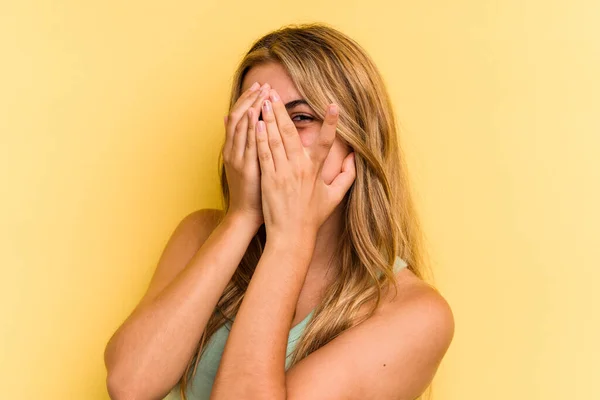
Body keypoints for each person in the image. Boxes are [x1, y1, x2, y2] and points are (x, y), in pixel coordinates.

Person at [104, 22, 454, 400]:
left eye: (300, 117)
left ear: (358, 138)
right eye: (256, 118)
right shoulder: (201, 235)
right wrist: (242, 216)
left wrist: (289, 241)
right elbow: (129, 385)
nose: (272, 135)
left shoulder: (414, 315)